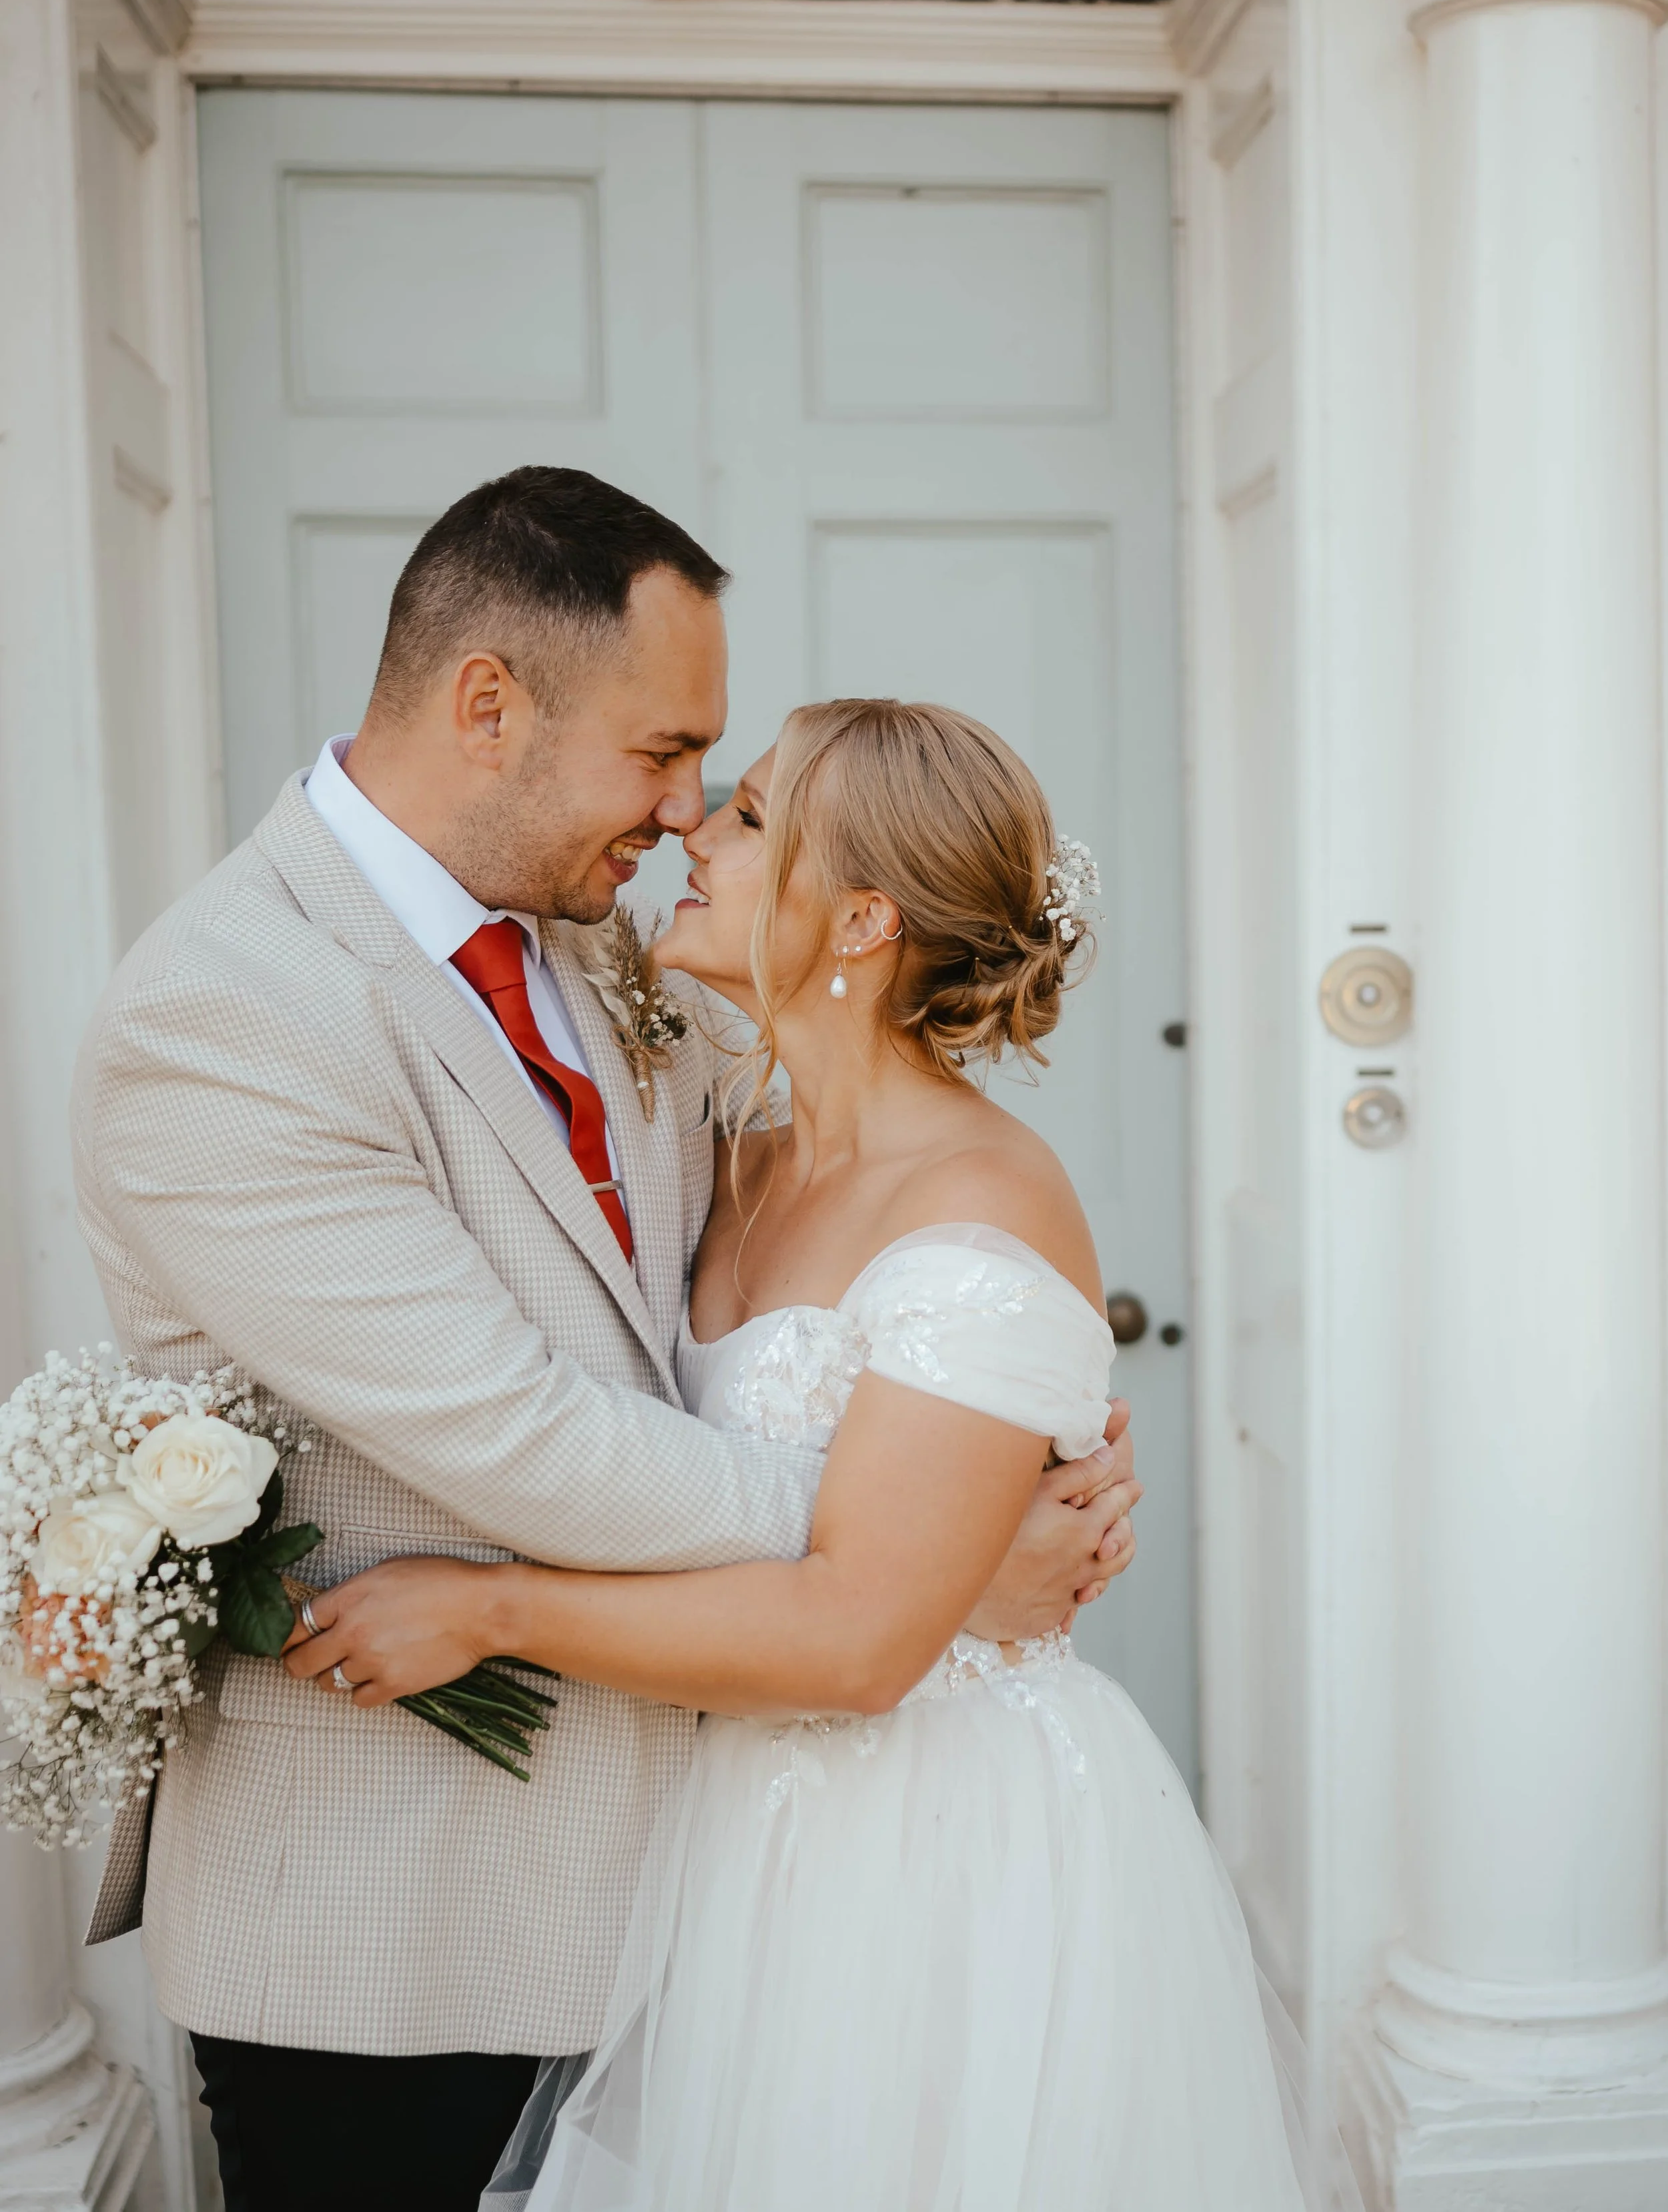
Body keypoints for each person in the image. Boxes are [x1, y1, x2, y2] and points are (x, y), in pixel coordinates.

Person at [71, 469, 1136, 2212]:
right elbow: (521, 1435)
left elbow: (873, 1232)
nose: (681, 814)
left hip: (710, 1898)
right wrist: (919, 1553)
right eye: (663, 753)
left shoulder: (613, 942)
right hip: (399, 1922)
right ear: (489, 703)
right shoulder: (225, 1014)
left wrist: (972, 1459)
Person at [284, 699, 1352, 2212]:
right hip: (725, 1824)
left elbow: (860, 1642)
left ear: (858, 912)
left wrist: (484, 1608)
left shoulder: (979, 1195)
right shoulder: (732, 1148)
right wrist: (963, 1558)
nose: (687, 831)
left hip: (933, 1845)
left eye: (746, 816)